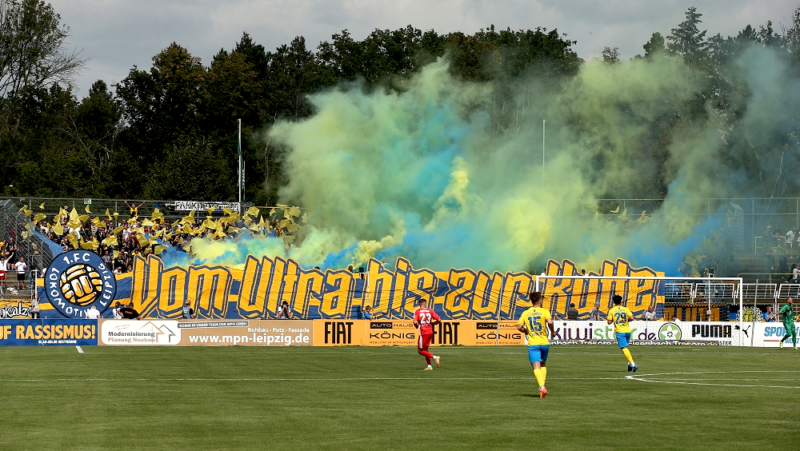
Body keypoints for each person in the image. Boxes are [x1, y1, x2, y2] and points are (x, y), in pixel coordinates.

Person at [516, 291, 555, 398]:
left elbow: (519, 327)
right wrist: (552, 331)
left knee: (536, 366)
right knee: (543, 364)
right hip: (544, 343)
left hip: (533, 344)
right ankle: (542, 387)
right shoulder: (544, 311)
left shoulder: (526, 313)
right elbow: (550, 322)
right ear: (540, 301)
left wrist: (526, 331)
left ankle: (542, 387)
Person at [607, 294, 638, 372]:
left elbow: (609, 322)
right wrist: (626, 320)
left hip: (620, 331)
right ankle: (629, 365)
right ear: (621, 301)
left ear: (613, 302)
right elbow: (632, 318)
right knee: (626, 347)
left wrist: (615, 320)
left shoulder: (611, 310)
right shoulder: (625, 309)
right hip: (628, 330)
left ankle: (633, 364)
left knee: (623, 348)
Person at [413, 299, 441, 370]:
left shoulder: (417, 311)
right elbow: (439, 320)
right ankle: (429, 366)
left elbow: (415, 321)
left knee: (420, 351)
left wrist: (416, 326)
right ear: (425, 304)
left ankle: (435, 357)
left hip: (423, 332)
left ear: (420, 304)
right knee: (425, 349)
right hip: (430, 332)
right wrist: (433, 324)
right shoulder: (430, 311)